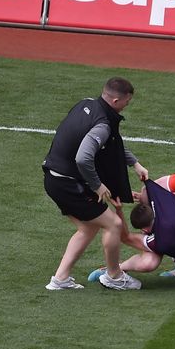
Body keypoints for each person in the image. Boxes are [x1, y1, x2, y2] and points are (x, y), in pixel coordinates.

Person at [42, 76, 147, 291]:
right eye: (127, 101)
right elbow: (83, 157)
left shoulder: (86, 103)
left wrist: (135, 164)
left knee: (87, 227)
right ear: (116, 101)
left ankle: (60, 279)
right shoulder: (103, 125)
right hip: (68, 183)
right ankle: (114, 276)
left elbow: (111, 145)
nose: (128, 105)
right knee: (114, 224)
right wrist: (98, 185)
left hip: (53, 178)